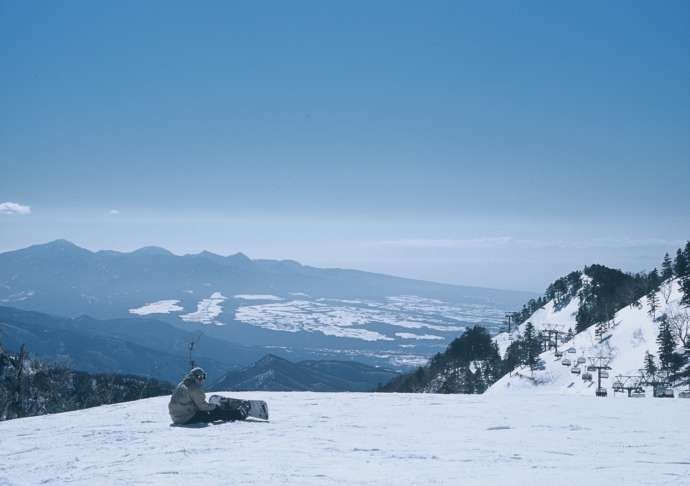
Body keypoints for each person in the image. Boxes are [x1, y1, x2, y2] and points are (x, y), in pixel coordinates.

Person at [168, 367, 246, 425]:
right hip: (186, 418)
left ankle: (230, 412)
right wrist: (215, 407)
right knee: (215, 414)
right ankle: (238, 414)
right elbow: (202, 407)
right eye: (201, 377)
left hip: (176, 417)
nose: (202, 380)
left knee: (209, 411)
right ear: (196, 377)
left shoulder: (182, 384)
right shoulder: (194, 388)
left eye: (203, 377)